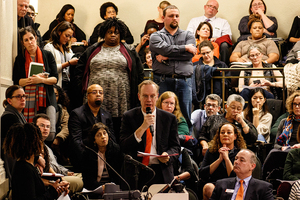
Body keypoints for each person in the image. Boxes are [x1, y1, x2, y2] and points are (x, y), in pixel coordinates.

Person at [75, 18, 143, 129]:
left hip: (120, 97)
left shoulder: (130, 50)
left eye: (116, 33)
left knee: (118, 128)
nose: (113, 35)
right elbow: (79, 71)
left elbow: (139, 74)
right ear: (103, 33)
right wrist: (83, 89)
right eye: (109, 32)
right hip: (94, 96)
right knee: (93, 127)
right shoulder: (92, 50)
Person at [119, 80, 181, 189]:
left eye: (152, 96)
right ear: (139, 97)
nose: (149, 100)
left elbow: (176, 147)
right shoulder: (129, 116)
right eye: (145, 96)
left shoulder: (169, 118)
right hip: (137, 171)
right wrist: (143, 127)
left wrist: (167, 155)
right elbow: (124, 146)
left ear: (157, 96)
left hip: (161, 171)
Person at [150, 5, 197, 128]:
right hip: (162, 80)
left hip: (184, 81)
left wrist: (167, 56)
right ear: (163, 17)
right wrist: (185, 48)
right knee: (161, 116)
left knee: (186, 116)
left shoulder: (188, 35)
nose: (174, 18)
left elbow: (188, 55)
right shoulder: (156, 36)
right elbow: (165, 49)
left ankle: (187, 143)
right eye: (171, 16)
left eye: (177, 16)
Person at [3, 123, 70, 199]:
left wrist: (57, 189)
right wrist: (53, 191)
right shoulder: (24, 169)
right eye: (39, 140)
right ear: (33, 143)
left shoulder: (27, 166)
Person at [13, 26, 58, 136]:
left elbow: (55, 79)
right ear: (22, 43)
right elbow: (17, 81)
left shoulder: (47, 55)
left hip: (46, 97)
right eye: (26, 40)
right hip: (28, 98)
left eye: (31, 38)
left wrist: (40, 80)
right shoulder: (20, 58)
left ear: (36, 38)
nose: (30, 42)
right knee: (30, 131)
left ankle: (45, 152)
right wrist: (32, 80)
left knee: (50, 133)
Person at [33, 114, 83, 194]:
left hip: (56, 175)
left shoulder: (46, 147)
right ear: (34, 127)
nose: (45, 129)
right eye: (42, 126)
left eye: (48, 126)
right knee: (79, 181)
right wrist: (58, 180)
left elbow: (55, 166)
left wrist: (66, 172)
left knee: (82, 176)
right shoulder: (32, 147)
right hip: (46, 180)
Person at [68, 84, 115, 170]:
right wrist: (87, 158)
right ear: (87, 96)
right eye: (94, 92)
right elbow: (76, 141)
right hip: (85, 157)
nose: (98, 94)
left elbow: (112, 139)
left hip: (104, 157)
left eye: (101, 92)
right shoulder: (77, 114)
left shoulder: (107, 115)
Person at [200, 123, 247, 200]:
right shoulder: (211, 151)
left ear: (235, 136)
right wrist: (219, 159)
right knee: (208, 187)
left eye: (229, 132)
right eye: (222, 132)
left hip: (235, 186)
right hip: (216, 185)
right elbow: (202, 174)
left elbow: (235, 177)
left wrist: (226, 158)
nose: (225, 134)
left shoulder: (240, 153)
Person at [82, 122, 124, 194]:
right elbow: (87, 179)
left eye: (105, 133)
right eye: (99, 135)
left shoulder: (116, 150)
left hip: (113, 189)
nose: (103, 137)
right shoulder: (88, 152)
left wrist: (110, 186)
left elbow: (120, 175)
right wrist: (102, 187)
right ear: (94, 140)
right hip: (95, 189)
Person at [186, 0, 232, 65]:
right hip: (196, 44)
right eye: (210, 6)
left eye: (214, 7)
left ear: (217, 11)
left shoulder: (223, 22)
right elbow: (188, 35)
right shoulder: (194, 21)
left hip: (214, 45)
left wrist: (215, 39)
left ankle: (223, 68)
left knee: (224, 45)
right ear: (205, 7)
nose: (211, 8)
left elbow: (227, 37)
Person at [44, 21, 79, 93]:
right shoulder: (49, 47)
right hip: (57, 84)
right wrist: (68, 63)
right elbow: (49, 69)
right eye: (66, 35)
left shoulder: (67, 49)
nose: (68, 39)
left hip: (68, 83)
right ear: (59, 32)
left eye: (70, 37)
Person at [51, 85, 70, 164]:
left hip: (58, 142)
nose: (53, 97)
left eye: (55, 95)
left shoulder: (63, 111)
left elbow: (66, 127)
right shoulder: (40, 108)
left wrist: (58, 138)